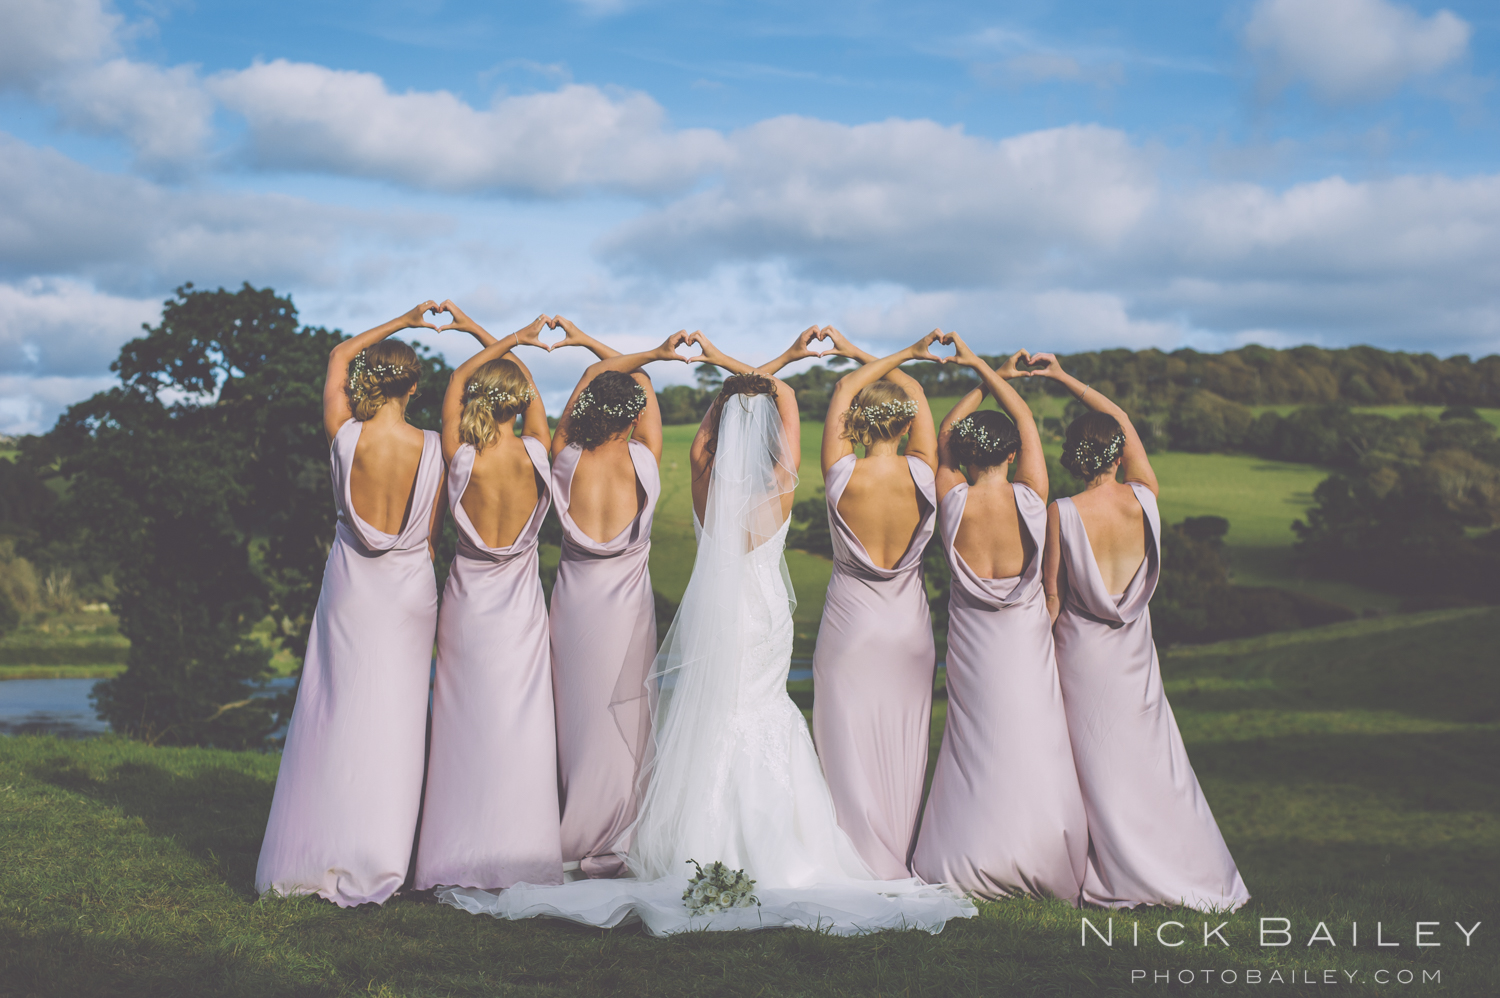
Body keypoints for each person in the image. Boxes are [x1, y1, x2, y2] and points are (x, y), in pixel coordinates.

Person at [436, 329, 975, 936]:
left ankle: (698, 842)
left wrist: (711, 375)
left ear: (716, 436)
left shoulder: (698, 475)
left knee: (714, 714)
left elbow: (687, 427)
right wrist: (788, 363)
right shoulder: (784, 477)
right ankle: (786, 851)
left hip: (713, 613)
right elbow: (789, 401)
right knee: (763, 709)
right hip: (765, 611)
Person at [1036, 352, 1250, 913]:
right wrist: (1064, 378)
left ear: (1072, 456)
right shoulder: (1145, 498)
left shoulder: (1062, 512)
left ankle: (1108, 867)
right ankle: (1176, 865)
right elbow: (1124, 421)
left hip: (1080, 655)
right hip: (1135, 656)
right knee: (1152, 762)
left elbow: (1052, 595)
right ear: (1118, 453)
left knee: (1091, 766)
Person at [256, 302, 446, 907]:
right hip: (410, 591)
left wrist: (405, 319)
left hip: (349, 589)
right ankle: (381, 861)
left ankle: (314, 848)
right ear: (413, 386)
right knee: (395, 720)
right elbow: (433, 537)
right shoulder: (436, 448)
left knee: (333, 711)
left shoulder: (345, 435)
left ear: (369, 383)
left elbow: (339, 355)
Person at [910, 336, 1088, 901]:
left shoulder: (951, 496)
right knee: (1033, 739)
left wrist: (975, 377)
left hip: (972, 640)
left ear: (963, 457)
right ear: (1012, 455)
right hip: (1024, 639)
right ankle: (1039, 856)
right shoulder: (1034, 498)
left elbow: (940, 437)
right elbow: (1025, 416)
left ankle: (966, 854)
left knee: (974, 741)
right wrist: (996, 372)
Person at [414, 305, 561, 892]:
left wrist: (488, 335)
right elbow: (533, 400)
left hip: (469, 602)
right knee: (521, 725)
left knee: (464, 722)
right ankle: (523, 850)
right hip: (523, 606)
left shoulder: (462, 455)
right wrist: (515, 342)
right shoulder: (536, 452)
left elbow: (454, 385)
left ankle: (456, 853)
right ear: (520, 402)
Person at [545, 318, 683, 879]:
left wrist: (585, 349)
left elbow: (593, 378)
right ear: (632, 417)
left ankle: (570, 823)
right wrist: (654, 352)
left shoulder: (564, 458)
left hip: (575, 606)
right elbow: (643, 384)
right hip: (628, 611)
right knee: (627, 714)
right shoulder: (645, 459)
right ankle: (622, 828)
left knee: (573, 715)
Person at [810, 327, 944, 878]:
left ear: (856, 425)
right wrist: (907, 358)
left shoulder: (843, 475)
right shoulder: (923, 472)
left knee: (846, 741)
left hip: (851, 627)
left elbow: (843, 390)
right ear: (909, 422)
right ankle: (899, 854)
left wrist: (854, 356)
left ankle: (855, 855)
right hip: (909, 629)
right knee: (903, 744)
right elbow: (911, 388)